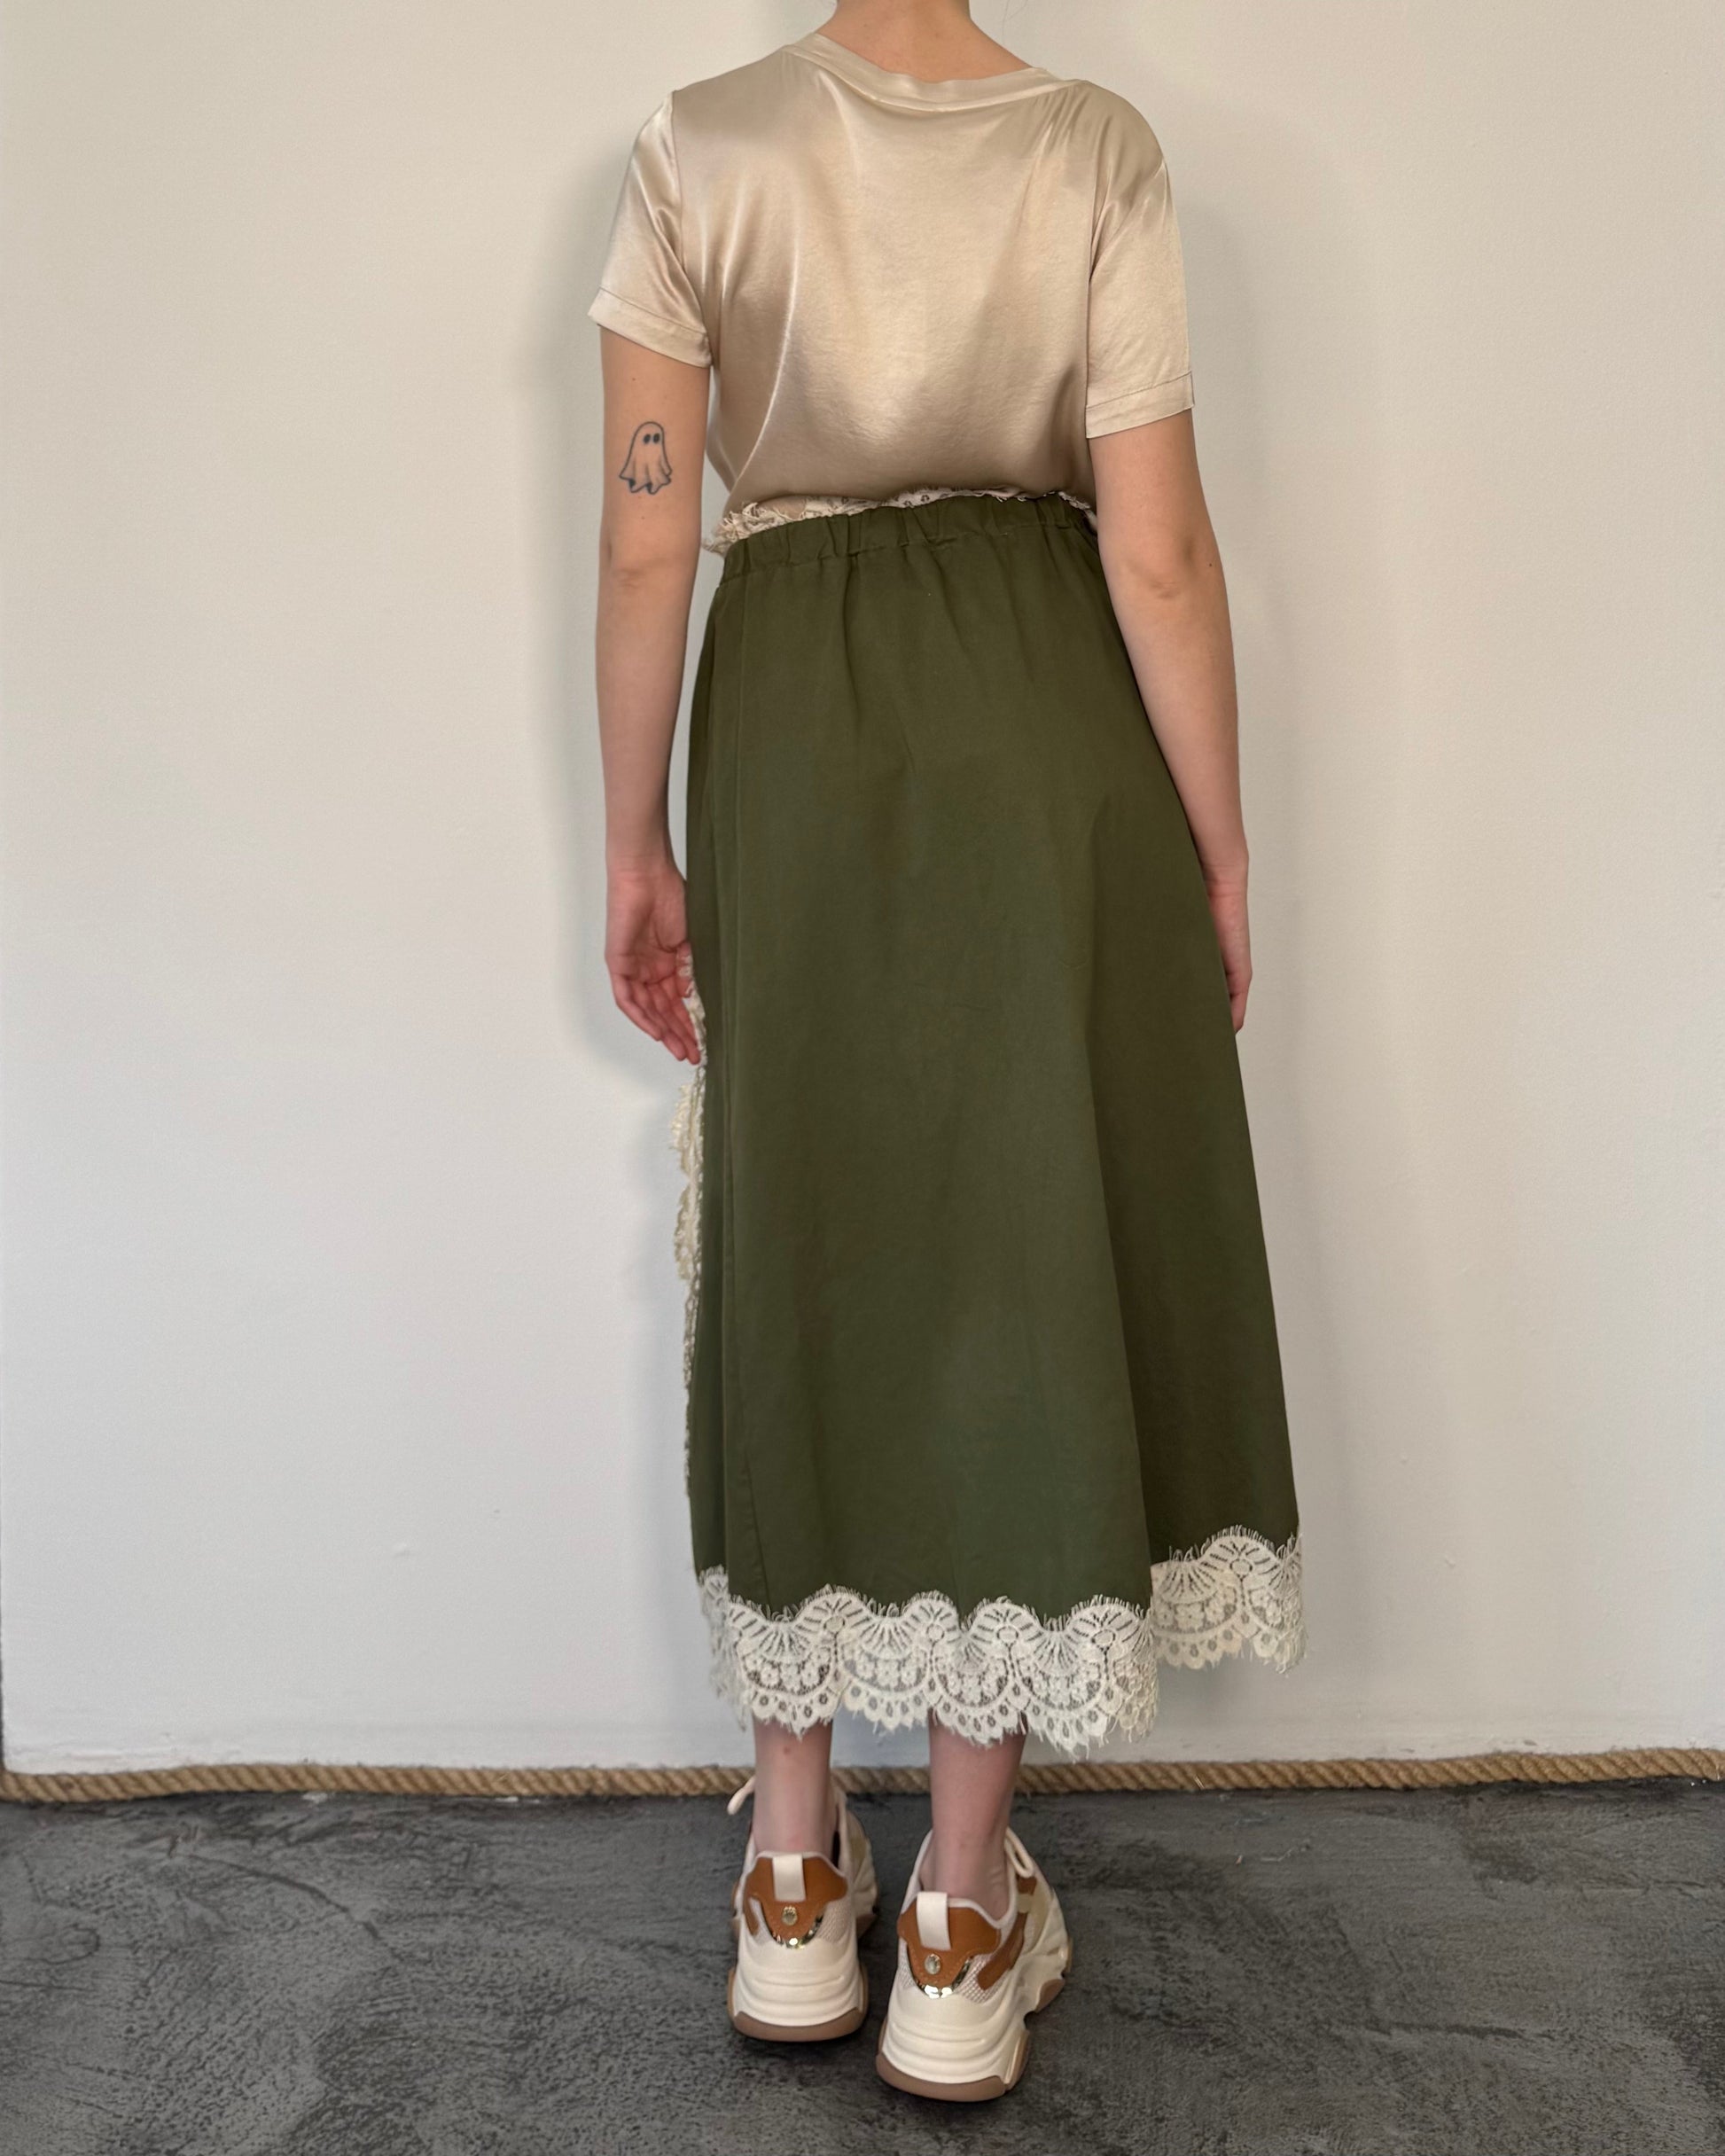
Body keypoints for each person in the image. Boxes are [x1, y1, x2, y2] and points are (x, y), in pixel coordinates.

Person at [589, 0, 1304, 2103]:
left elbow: (647, 532)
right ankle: (963, 1917)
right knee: (1013, 1257)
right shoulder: (1088, 149)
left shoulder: (697, 149)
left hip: (789, 725)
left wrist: (634, 839)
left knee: (805, 1242)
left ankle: (793, 1879)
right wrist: (1221, 841)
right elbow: (1153, 546)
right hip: (1036, 713)